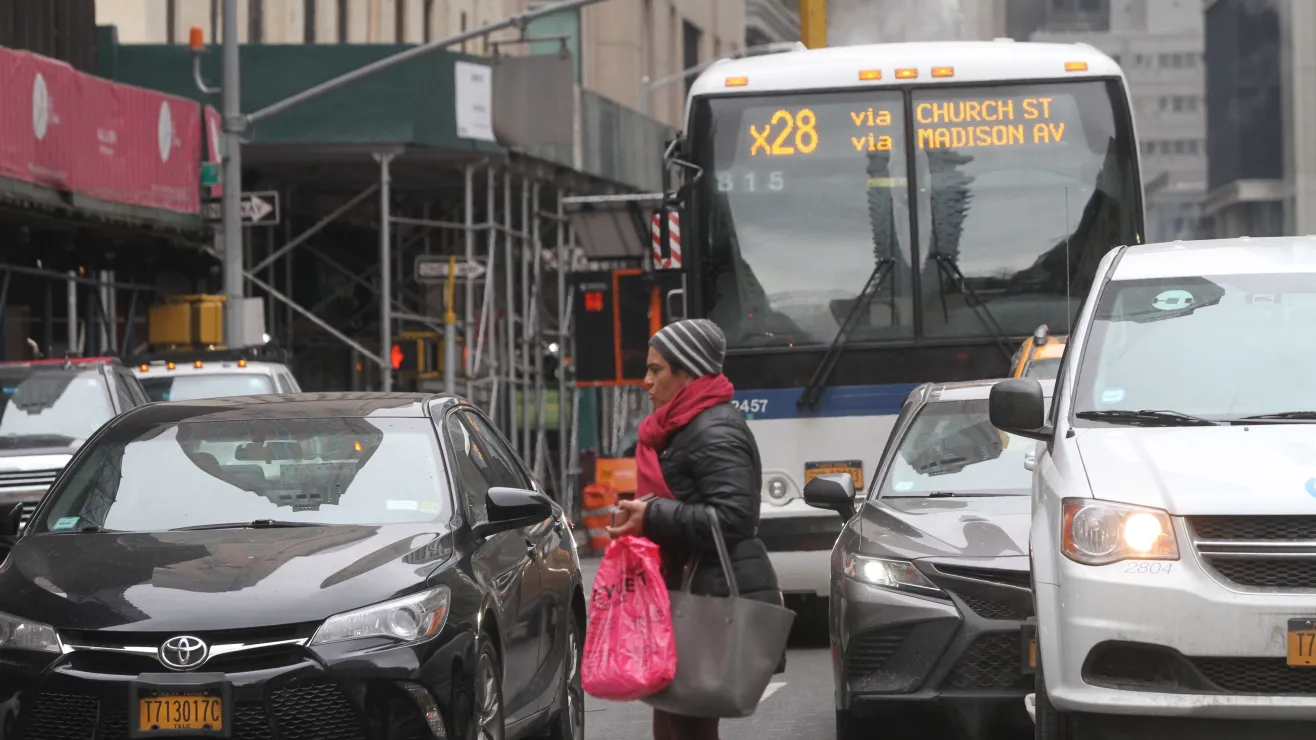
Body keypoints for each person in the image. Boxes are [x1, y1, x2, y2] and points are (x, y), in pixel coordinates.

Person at [607, 318, 783, 740]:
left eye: (657, 369)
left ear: (688, 372)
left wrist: (650, 516)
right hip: (688, 587)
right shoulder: (683, 428)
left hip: (708, 595)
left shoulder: (714, 430)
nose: (646, 381)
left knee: (686, 726)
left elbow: (733, 518)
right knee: (674, 725)